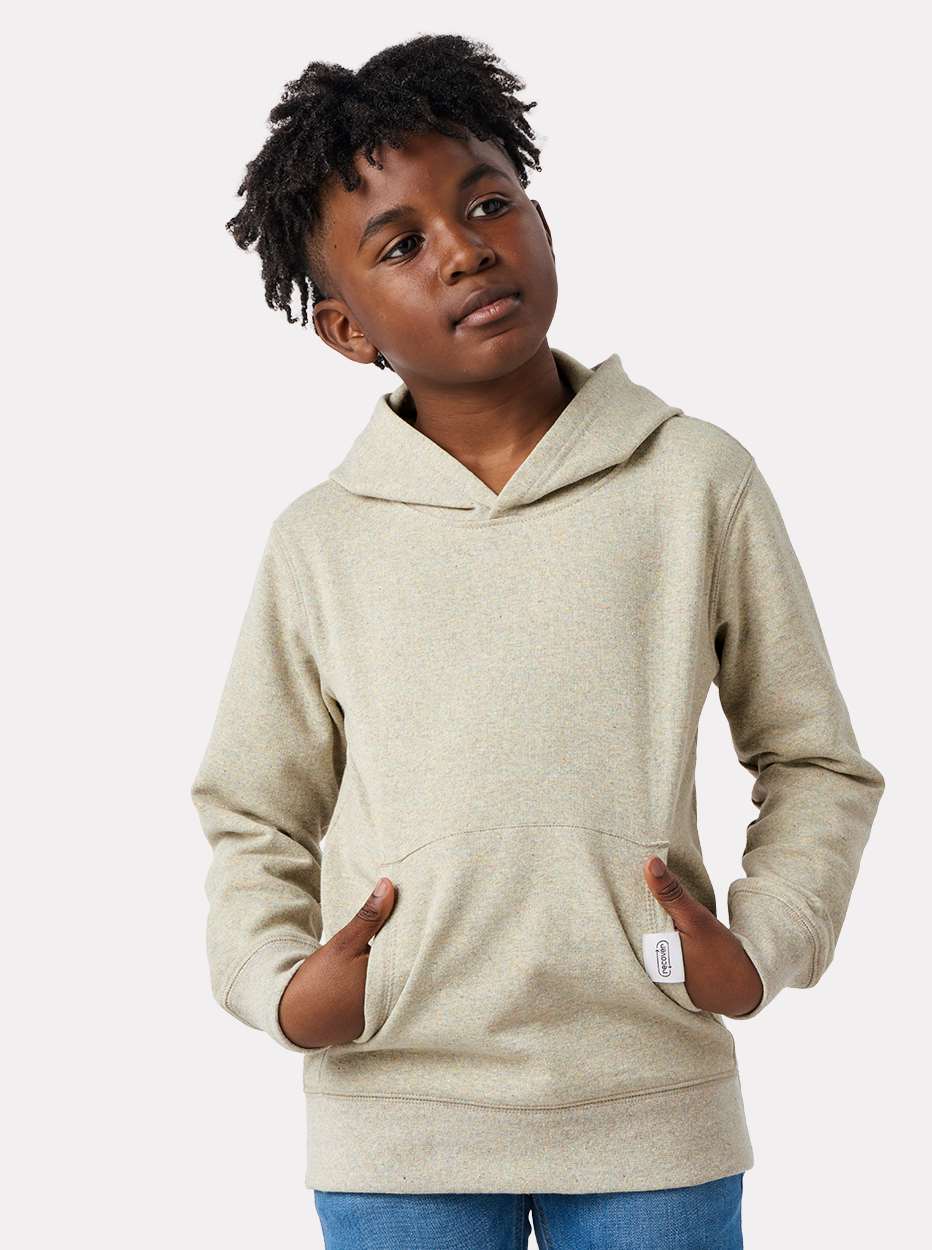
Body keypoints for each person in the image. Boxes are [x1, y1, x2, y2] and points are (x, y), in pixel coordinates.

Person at [190, 33, 886, 1250]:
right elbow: (252, 808)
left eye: (487, 203)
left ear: (541, 222)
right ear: (346, 329)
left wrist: (760, 945)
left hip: (651, 1108)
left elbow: (814, 759)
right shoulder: (320, 540)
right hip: (395, 1118)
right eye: (401, 244)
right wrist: (283, 985)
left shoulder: (694, 480)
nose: (464, 248)